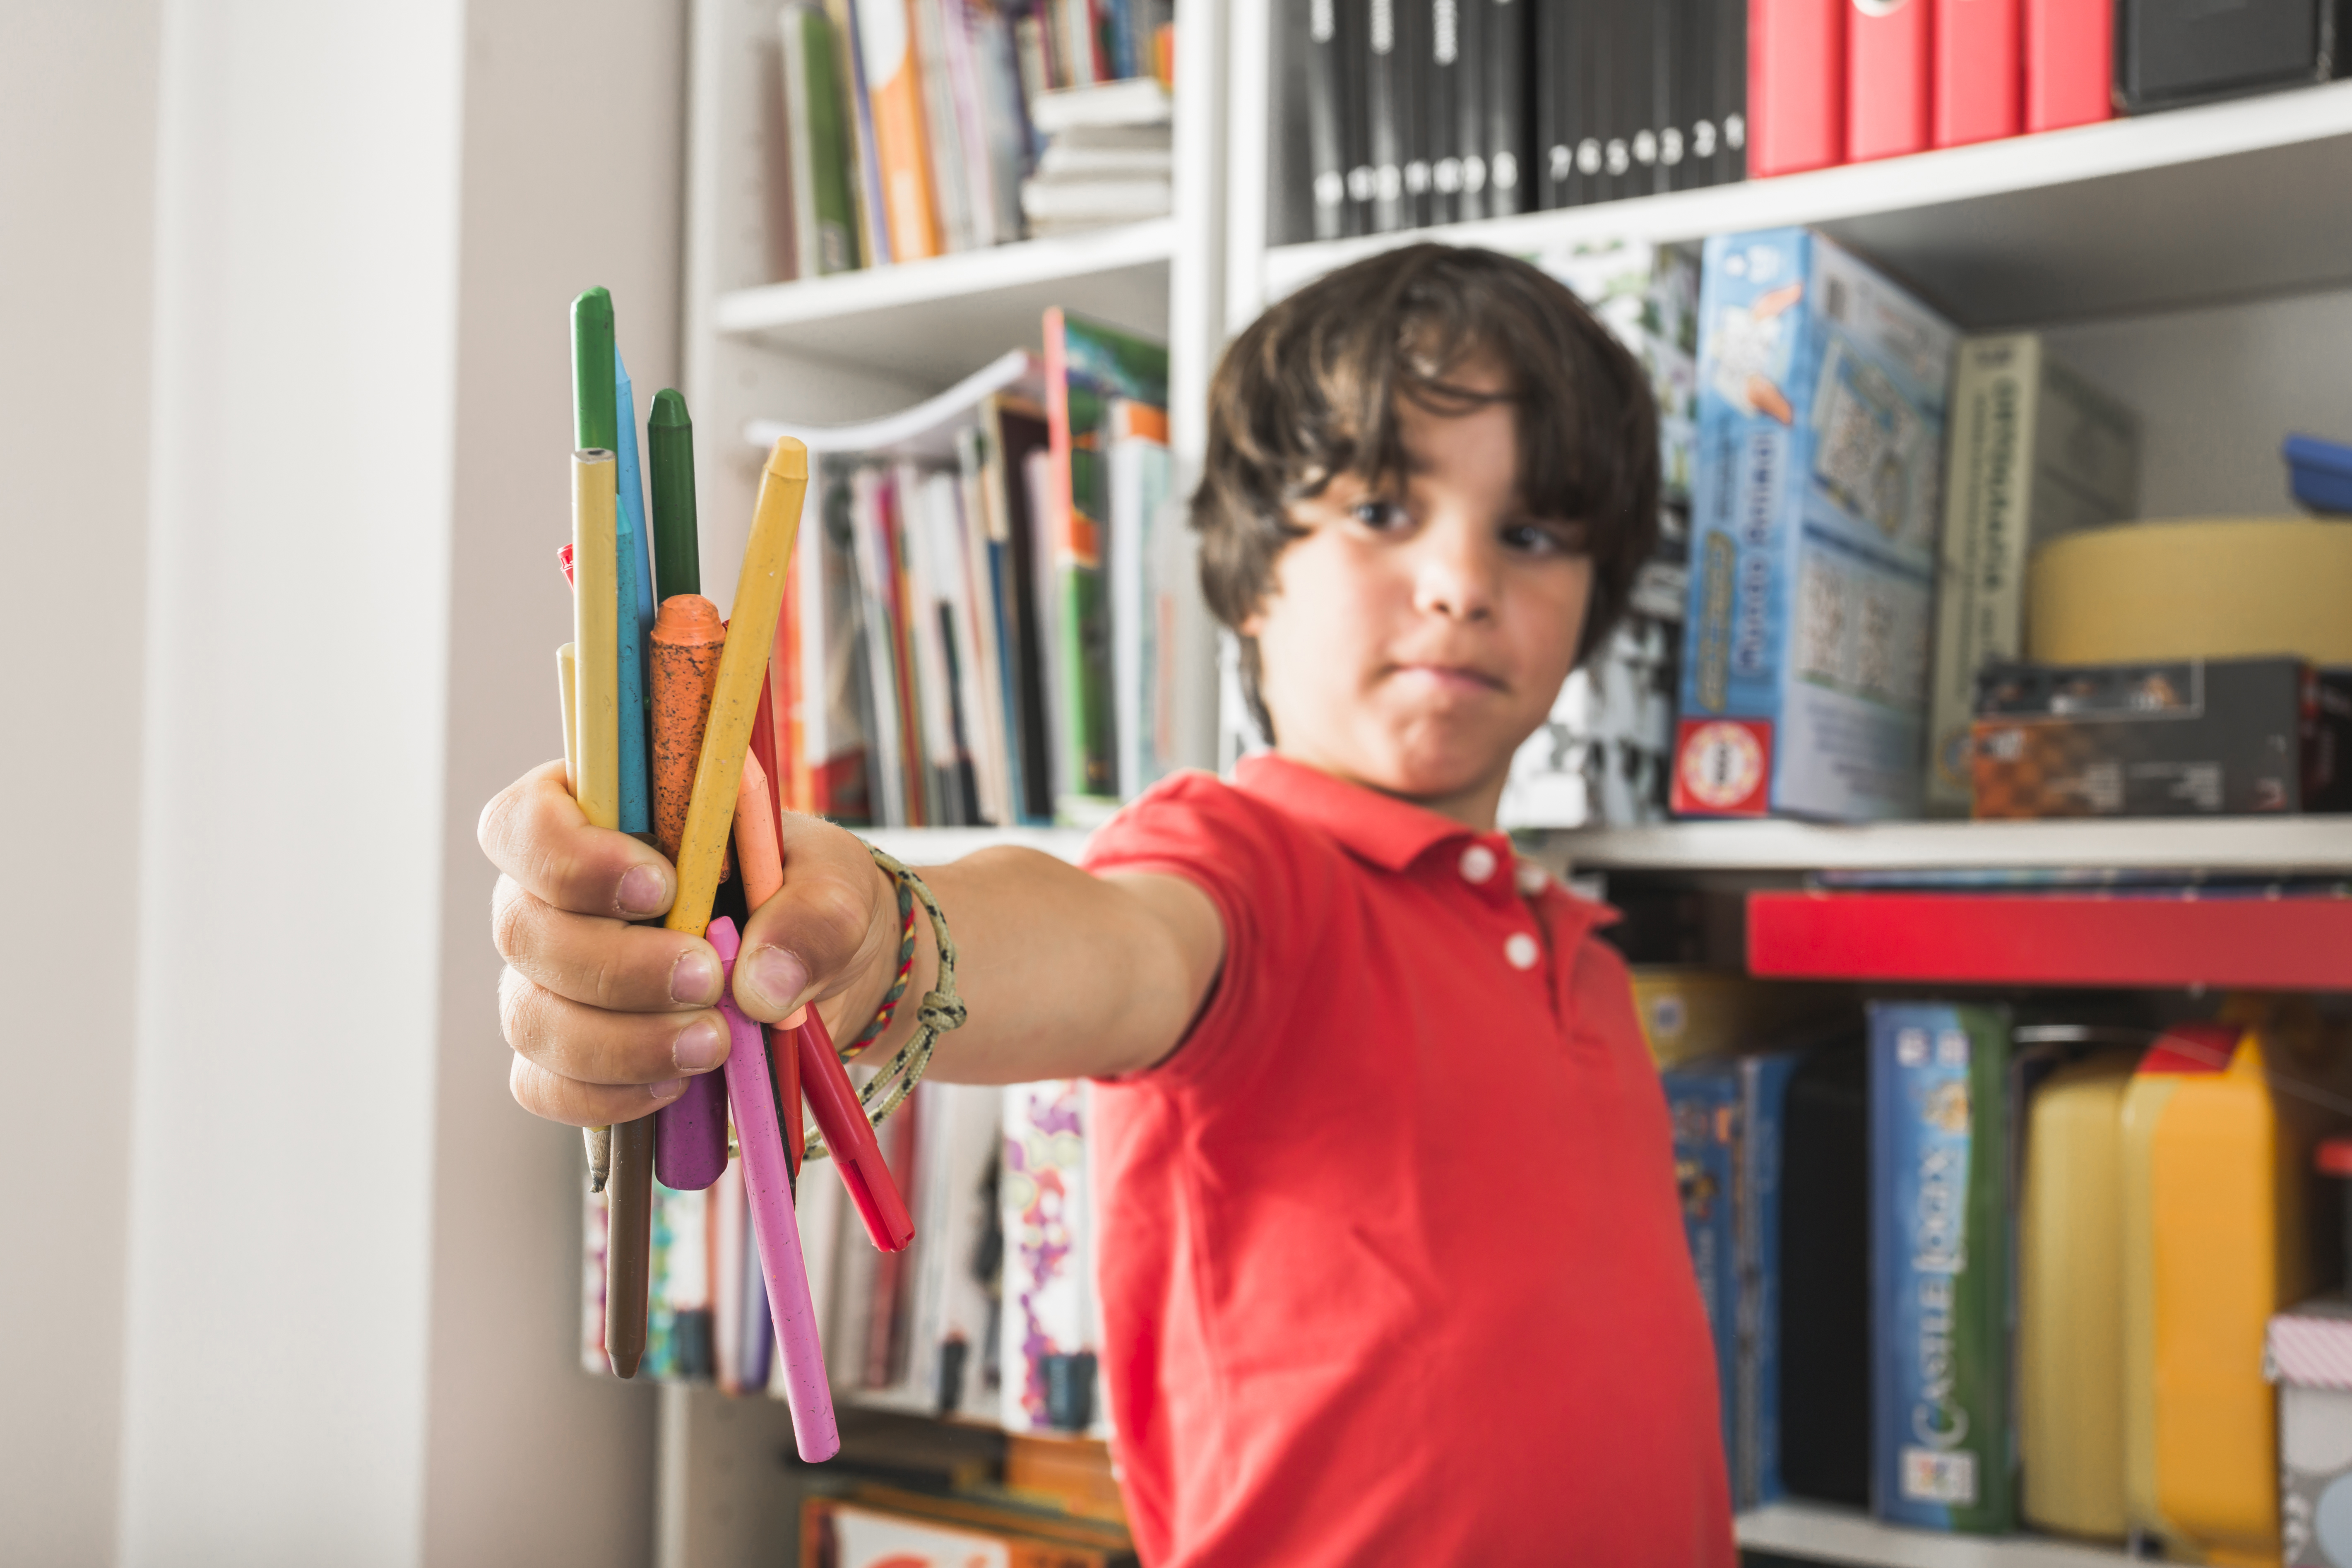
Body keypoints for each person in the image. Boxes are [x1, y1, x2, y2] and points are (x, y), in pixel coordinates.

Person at [481, 243, 1735, 1565]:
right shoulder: (1247, 868)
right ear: (1255, 571)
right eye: (1380, 511)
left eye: (1531, 535)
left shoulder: (1584, 950)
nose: (1461, 583)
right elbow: (1104, 940)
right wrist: (869, 931)